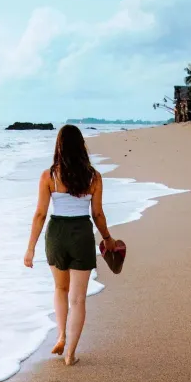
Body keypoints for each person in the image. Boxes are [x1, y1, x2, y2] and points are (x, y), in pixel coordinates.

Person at [24, 124, 118, 366]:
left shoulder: (49, 176)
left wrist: (31, 248)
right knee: (78, 299)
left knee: (60, 289)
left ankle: (61, 335)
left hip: (56, 233)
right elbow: (97, 214)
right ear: (81, 146)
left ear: (59, 146)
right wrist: (107, 238)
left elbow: (40, 214)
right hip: (81, 234)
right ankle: (70, 354)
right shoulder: (93, 176)